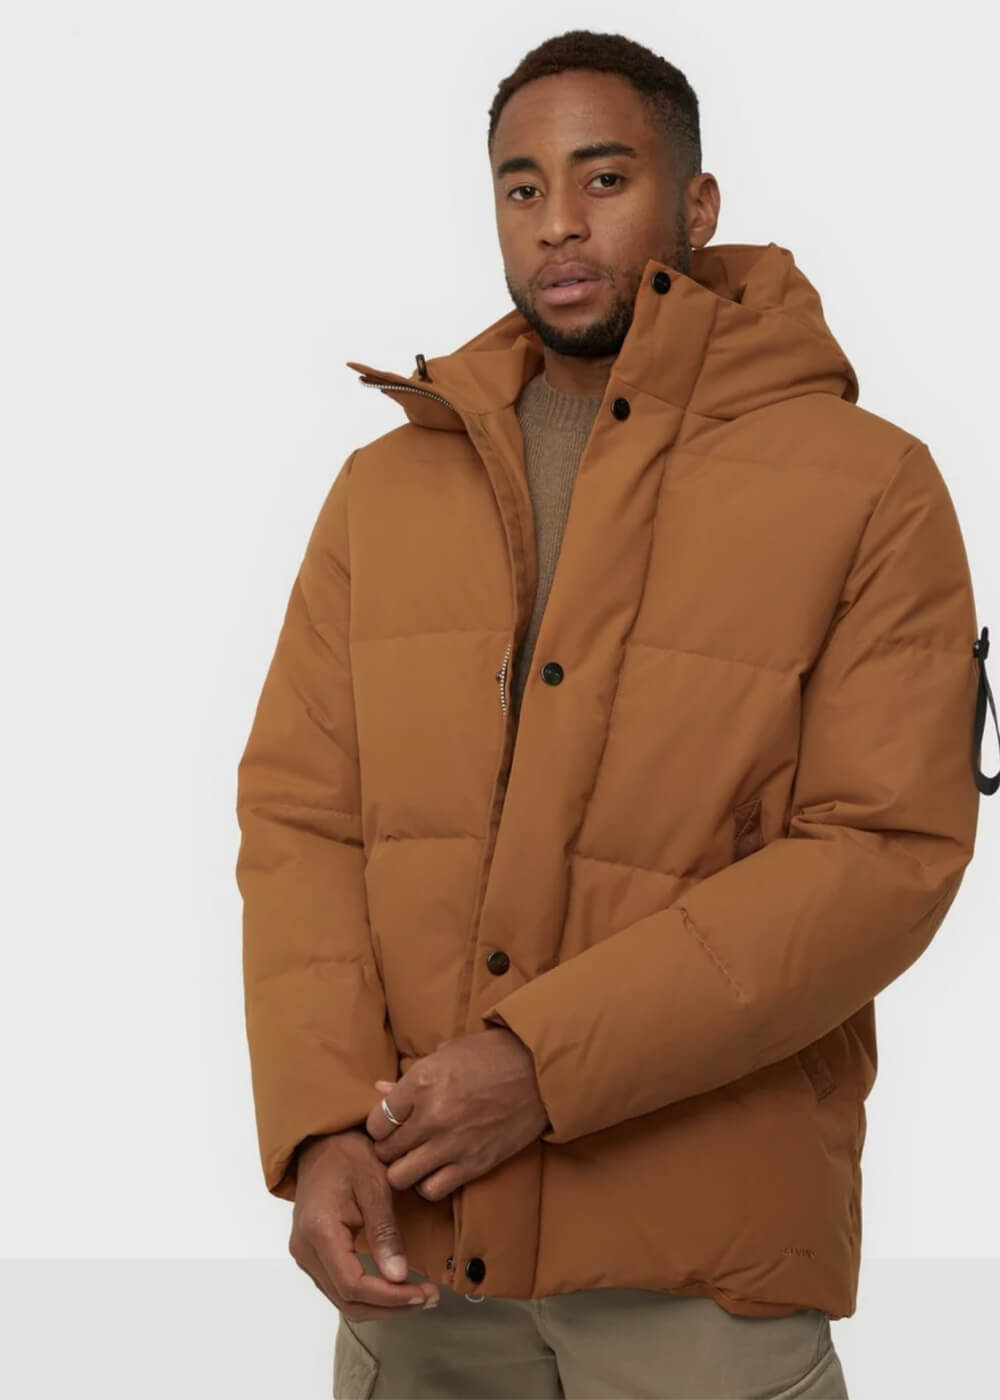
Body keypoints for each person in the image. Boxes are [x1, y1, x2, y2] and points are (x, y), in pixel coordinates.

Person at [234, 27, 998, 1400]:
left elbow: (884, 854)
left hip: (699, 1267)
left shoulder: (870, 487)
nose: (559, 224)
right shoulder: (384, 493)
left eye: (604, 177)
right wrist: (322, 1125)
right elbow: (303, 823)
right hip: (420, 1249)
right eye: (521, 187)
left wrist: (544, 1065)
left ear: (695, 204)